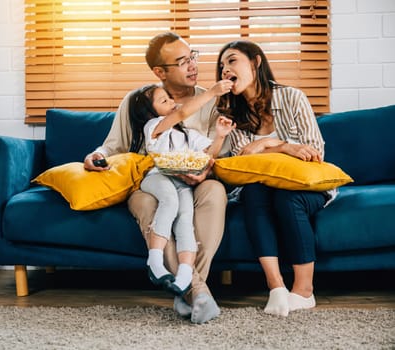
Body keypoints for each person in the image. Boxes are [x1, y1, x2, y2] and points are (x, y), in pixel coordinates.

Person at [84, 32, 229, 324]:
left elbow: (217, 151)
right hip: (149, 180)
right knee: (155, 203)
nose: (192, 66)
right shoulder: (138, 101)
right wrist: (93, 156)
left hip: (196, 179)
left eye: (192, 57)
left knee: (214, 192)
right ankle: (197, 292)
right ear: (159, 72)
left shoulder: (211, 102)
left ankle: (186, 288)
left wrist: (203, 172)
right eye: (182, 62)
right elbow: (113, 146)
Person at [215, 40, 335, 317]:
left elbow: (313, 152)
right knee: (254, 192)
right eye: (222, 66)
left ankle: (304, 291)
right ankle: (276, 286)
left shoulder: (293, 97)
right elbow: (243, 162)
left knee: (286, 197)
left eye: (232, 61)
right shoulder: (231, 114)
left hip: (304, 185)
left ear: (256, 63)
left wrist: (267, 145)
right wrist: (281, 147)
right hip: (259, 186)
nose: (225, 70)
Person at [128, 83, 234, 296]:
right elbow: (184, 111)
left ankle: (185, 275)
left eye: (170, 99)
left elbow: (207, 155)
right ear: (149, 111)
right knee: (170, 200)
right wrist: (213, 92)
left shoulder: (186, 134)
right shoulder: (153, 127)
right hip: (157, 177)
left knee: (186, 217)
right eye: (164, 101)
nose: (173, 103)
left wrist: (220, 136)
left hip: (181, 183)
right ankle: (155, 261)